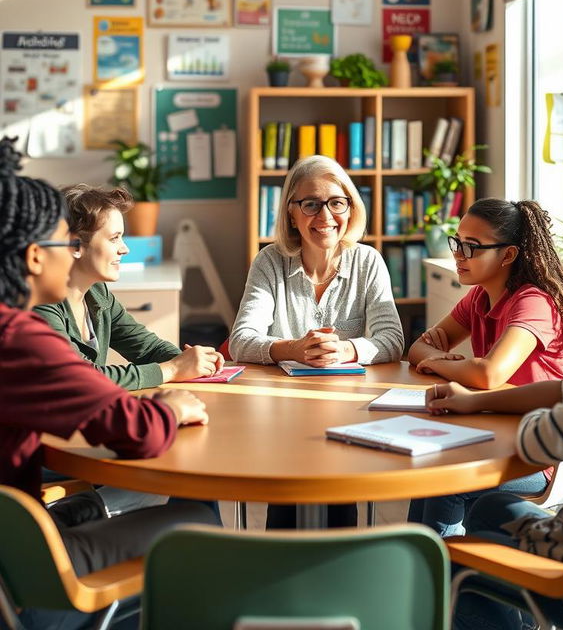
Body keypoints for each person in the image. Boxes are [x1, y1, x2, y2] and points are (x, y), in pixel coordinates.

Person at [0, 136, 219, 630]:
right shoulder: (21, 337)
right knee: (199, 518)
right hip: (23, 571)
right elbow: (136, 430)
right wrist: (174, 404)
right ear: (37, 256)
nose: (71, 251)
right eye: (65, 242)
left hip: (20, 532)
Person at [430, 166, 563, 630]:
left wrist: (481, 398)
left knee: (456, 556)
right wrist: (474, 402)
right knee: (487, 509)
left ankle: (422, 588)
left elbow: (538, 445)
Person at [229, 154, 404, 527]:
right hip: (284, 417)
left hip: (352, 414)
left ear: (350, 208)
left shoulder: (368, 261)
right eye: (311, 204)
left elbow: (392, 338)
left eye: (336, 202)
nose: (325, 216)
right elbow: (241, 340)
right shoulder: (270, 262)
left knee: (340, 507)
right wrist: (290, 349)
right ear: (292, 213)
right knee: (287, 510)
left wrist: (348, 349)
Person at [407, 198, 563, 536]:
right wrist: (436, 358)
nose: (458, 254)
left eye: (472, 247)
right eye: (458, 242)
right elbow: (418, 349)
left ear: (507, 255)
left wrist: (440, 361)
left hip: (537, 455)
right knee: (427, 475)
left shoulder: (533, 302)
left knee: (446, 482)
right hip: (493, 434)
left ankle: (439, 581)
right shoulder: (479, 296)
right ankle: (418, 576)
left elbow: (489, 373)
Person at [35, 184, 224, 390]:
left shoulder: (98, 294)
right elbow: (79, 379)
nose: (124, 249)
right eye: (114, 238)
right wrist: (173, 369)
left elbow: (146, 347)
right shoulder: (41, 304)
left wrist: (190, 360)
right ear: (76, 246)